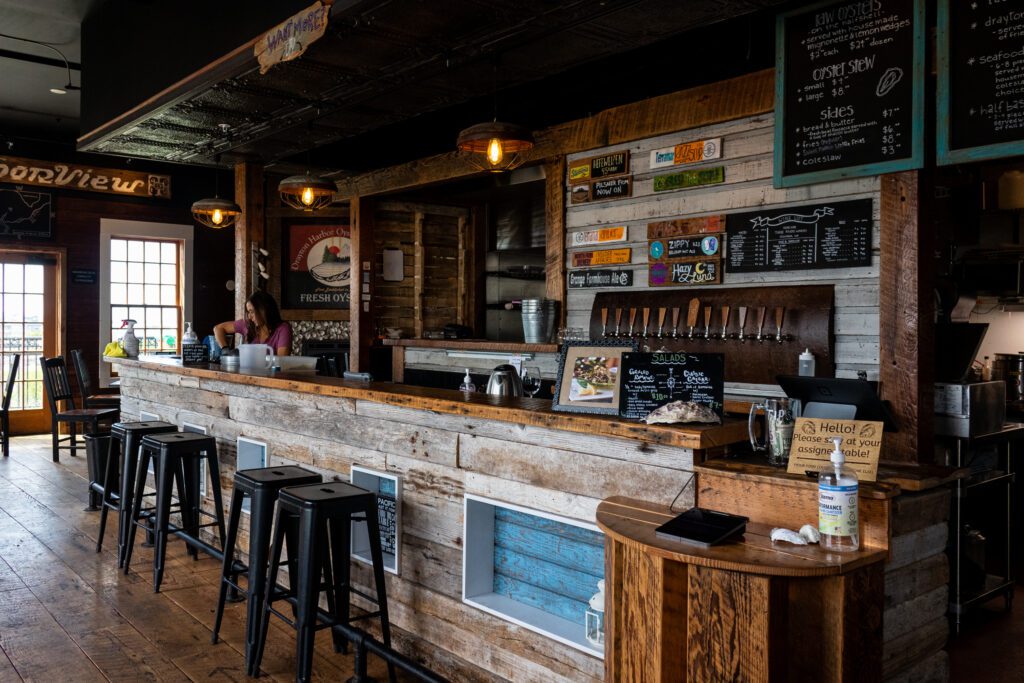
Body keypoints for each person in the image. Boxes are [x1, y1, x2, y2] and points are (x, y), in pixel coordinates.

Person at [213, 291, 292, 356]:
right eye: (248, 312)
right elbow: (218, 328)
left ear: (263, 310)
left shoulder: (283, 329)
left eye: (252, 312)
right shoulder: (248, 324)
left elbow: (281, 362)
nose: (250, 317)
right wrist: (225, 349)